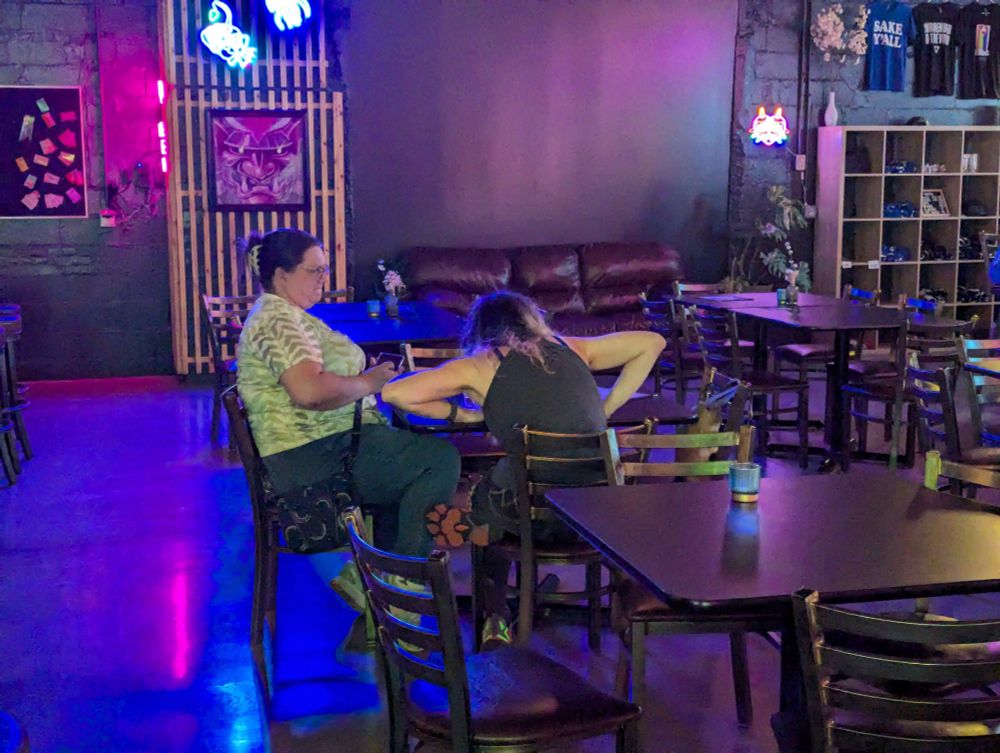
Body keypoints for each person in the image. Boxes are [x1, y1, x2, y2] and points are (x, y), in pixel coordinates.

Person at [381, 290, 665, 645]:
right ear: (532, 320)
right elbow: (652, 342)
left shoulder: (481, 364)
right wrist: (607, 410)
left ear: (481, 331)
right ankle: (615, 604)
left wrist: (464, 413)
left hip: (529, 514)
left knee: (486, 498)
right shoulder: (571, 347)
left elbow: (395, 394)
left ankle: (495, 616)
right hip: (597, 515)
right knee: (508, 485)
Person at [236, 228, 462, 610]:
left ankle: (382, 583)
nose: (323, 279)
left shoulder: (289, 315)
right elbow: (309, 391)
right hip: (316, 456)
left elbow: (322, 377)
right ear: (280, 276)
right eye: (314, 271)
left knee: (413, 469)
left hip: (331, 443)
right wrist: (367, 382)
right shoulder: (277, 321)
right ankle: (402, 594)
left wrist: (364, 378)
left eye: (324, 270)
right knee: (439, 461)